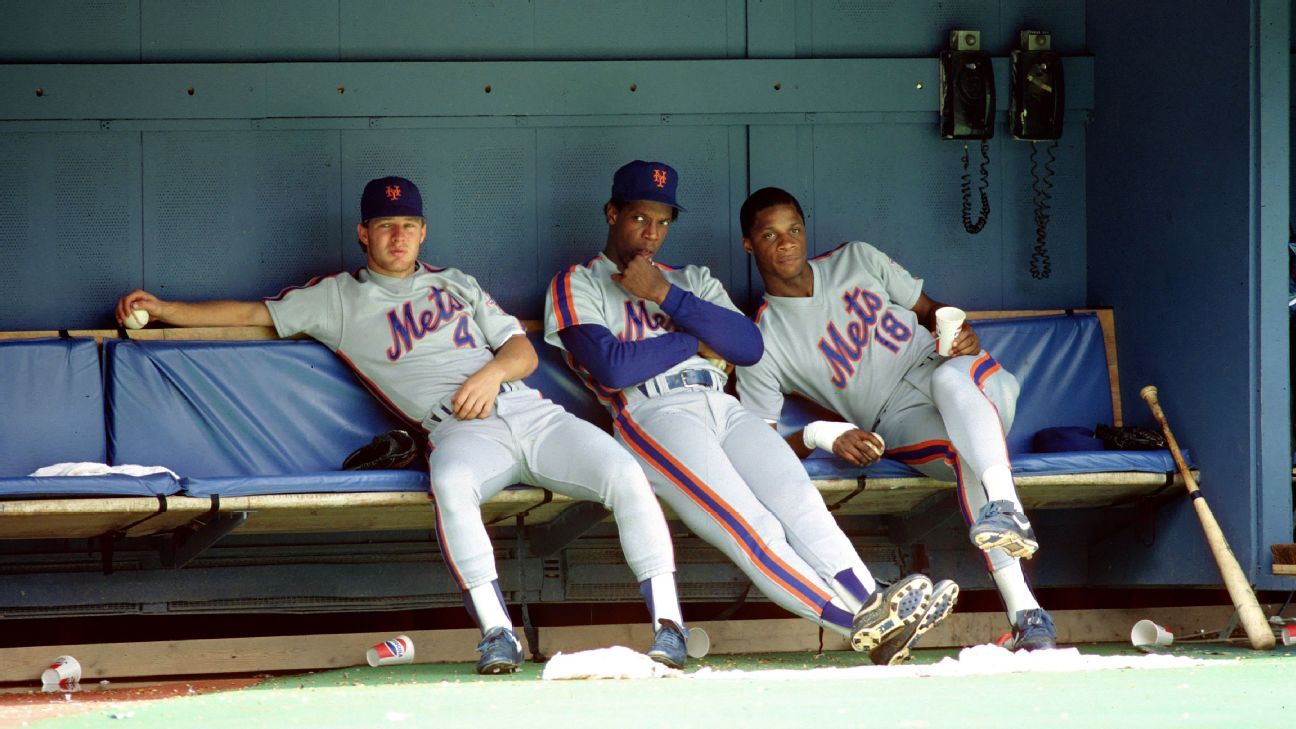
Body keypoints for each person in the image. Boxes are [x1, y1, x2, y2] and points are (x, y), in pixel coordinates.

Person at [113, 176, 693, 674]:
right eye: (386, 225)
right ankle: (498, 634)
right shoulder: (338, 298)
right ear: (364, 233)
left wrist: (491, 375)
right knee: (451, 484)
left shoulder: (456, 282)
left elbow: (522, 350)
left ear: (423, 231)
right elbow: (249, 314)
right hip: (461, 431)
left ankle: (670, 626)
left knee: (624, 471)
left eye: (409, 224)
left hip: (526, 409)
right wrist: (166, 310)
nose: (398, 236)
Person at [543, 161, 957, 665]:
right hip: (654, 413)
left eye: (663, 221)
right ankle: (858, 625)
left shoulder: (690, 279)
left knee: (802, 504)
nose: (652, 234)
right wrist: (697, 336)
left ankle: (874, 603)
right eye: (638, 219)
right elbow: (611, 366)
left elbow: (747, 345)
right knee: (751, 526)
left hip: (723, 405)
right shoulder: (576, 282)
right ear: (612, 214)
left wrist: (665, 295)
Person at [734, 186, 1057, 651]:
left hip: (962, 376)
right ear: (750, 244)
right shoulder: (761, 339)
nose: (785, 242)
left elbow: (933, 312)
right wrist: (822, 434)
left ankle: (1008, 525)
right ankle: (1026, 610)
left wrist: (961, 333)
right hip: (900, 418)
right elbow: (759, 451)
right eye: (770, 234)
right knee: (960, 453)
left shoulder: (856, 259)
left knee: (949, 384)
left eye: (794, 230)